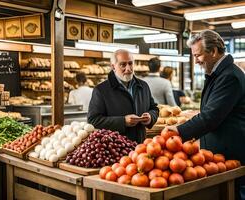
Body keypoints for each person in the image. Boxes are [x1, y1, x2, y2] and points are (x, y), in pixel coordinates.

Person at [163, 30, 245, 200]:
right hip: (223, 151)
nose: (196, 61)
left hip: (233, 152)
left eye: (198, 55)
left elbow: (211, 117)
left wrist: (178, 131)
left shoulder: (229, 76)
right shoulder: (221, 73)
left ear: (213, 51)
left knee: (235, 194)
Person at [88, 49, 159, 143]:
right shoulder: (101, 90)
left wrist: (150, 117)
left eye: (130, 63)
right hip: (115, 148)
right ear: (113, 66)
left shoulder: (143, 86)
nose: (128, 69)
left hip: (140, 147)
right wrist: (123, 121)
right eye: (123, 64)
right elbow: (93, 120)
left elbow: (154, 108)